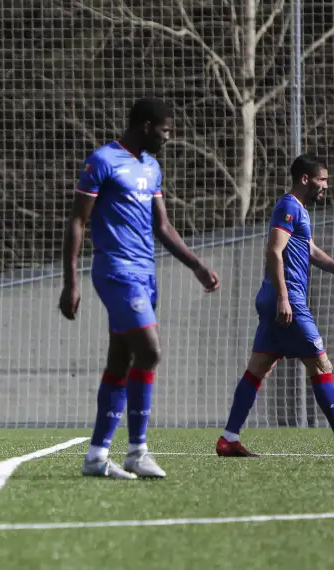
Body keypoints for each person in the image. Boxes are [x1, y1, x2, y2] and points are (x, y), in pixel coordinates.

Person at [59, 97, 221, 479]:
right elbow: (78, 221)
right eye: (166, 130)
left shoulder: (152, 167)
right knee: (150, 350)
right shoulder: (102, 161)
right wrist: (71, 281)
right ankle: (137, 450)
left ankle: (96, 456)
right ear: (147, 126)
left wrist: (196, 265)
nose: (169, 137)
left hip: (146, 274)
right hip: (116, 271)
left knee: (121, 361)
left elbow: (162, 226)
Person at [217, 154, 334, 457]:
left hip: (276, 298)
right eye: (322, 179)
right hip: (288, 299)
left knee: (258, 368)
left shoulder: (300, 211)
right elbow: (274, 250)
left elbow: (310, 250)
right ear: (305, 179)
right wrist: (284, 297)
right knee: (321, 364)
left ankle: (228, 438)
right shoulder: (288, 206)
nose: (326, 186)